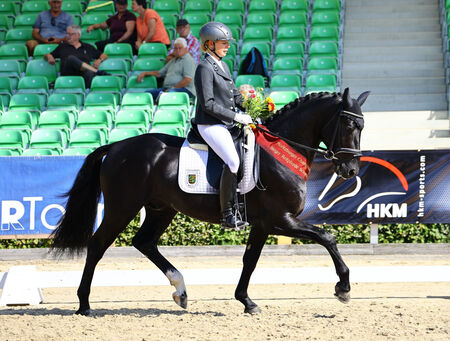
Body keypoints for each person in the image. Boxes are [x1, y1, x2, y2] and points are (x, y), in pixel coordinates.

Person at [193, 22, 253, 229]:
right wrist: (236, 117)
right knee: (233, 161)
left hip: (225, 122)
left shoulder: (223, 65)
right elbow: (207, 104)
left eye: (228, 43)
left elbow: (234, 95)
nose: (227, 46)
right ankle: (227, 215)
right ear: (209, 44)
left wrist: (255, 107)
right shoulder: (204, 68)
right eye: (223, 43)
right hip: (210, 124)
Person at [45, 26, 109, 88]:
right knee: (71, 58)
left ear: (78, 35)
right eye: (67, 34)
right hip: (68, 74)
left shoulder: (87, 47)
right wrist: (49, 56)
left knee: (89, 73)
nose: (68, 36)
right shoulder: (62, 46)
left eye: (70, 34)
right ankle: (97, 72)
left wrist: (100, 60)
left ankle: (87, 93)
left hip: (84, 74)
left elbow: (104, 55)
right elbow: (46, 55)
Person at [137, 37, 196, 102]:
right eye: (176, 48)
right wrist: (145, 73)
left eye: (180, 48)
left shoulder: (188, 60)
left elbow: (187, 80)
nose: (178, 50)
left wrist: (174, 88)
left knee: (167, 94)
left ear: (186, 49)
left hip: (185, 90)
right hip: (169, 89)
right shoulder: (173, 60)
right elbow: (159, 73)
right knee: (148, 94)